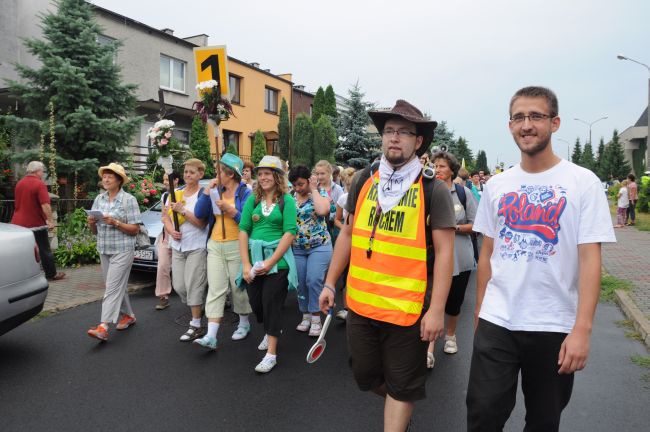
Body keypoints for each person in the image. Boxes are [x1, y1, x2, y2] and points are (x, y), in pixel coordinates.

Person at [466, 86, 616, 431]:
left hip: (554, 324)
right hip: (498, 320)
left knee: (544, 420)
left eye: (536, 116)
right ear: (510, 126)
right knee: (483, 413)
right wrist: (479, 311)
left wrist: (582, 329)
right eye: (519, 117)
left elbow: (591, 258)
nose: (526, 124)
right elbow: (488, 253)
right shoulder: (498, 185)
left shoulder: (583, 183)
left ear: (555, 122)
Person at [319, 99, 455, 432]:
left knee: (402, 384)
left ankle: (399, 414)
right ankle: (400, 404)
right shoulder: (366, 179)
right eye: (389, 131)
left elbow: (446, 254)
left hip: (408, 309)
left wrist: (436, 310)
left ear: (418, 141)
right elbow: (348, 234)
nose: (394, 138)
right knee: (365, 376)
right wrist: (329, 282)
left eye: (404, 132)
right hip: (361, 305)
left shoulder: (431, 188)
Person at [238, 155, 297, 373]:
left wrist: (271, 261)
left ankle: (271, 353)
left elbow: (290, 232)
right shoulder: (253, 200)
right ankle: (270, 329)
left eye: (267, 173)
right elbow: (243, 229)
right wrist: (246, 264)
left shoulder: (287, 201)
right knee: (257, 303)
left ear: (277, 176)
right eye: (260, 173)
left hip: (278, 262)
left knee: (272, 303)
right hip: (254, 260)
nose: (263, 177)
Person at [192, 154, 253, 350]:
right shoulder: (215, 190)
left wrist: (231, 211)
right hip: (215, 244)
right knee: (216, 288)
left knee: (238, 288)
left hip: (237, 244)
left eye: (219, 171)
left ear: (230, 174)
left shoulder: (246, 193)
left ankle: (244, 323)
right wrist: (207, 192)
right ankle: (211, 335)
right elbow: (200, 213)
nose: (215, 174)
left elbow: (248, 222)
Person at [427, 151, 478, 368]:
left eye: (442, 166)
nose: (437, 170)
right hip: (432, 256)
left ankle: (450, 336)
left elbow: (476, 225)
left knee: (454, 301)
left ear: (452, 171)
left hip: (460, 257)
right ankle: (428, 348)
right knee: (430, 300)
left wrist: (452, 227)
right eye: (435, 166)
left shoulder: (463, 193)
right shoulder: (427, 191)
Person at [86, 163, 142, 341]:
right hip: (104, 248)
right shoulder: (99, 199)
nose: (106, 179)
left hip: (123, 249)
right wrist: (92, 224)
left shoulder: (129, 200)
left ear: (119, 180)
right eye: (104, 176)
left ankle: (103, 326)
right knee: (117, 286)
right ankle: (129, 316)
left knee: (111, 287)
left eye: (110, 176)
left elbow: (135, 229)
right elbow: (95, 232)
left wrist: (116, 222)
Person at [162, 158, 210, 342]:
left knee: (193, 286)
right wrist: (170, 230)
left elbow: (201, 223)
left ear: (200, 174)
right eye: (186, 172)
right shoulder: (176, 193)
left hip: (196, 246)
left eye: (192, 172)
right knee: (179, 287)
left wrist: (183, 211)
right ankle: (200, 303)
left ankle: (196, 325)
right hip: (178, 246)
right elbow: (165, 217)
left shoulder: (202, 195)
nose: (188, 175)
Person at [288, 165, 332, 337]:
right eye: (294, 185)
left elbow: (322, 210)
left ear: (309, 180)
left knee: (313, 280)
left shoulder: (319, 194)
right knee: (300, 282)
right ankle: (305, 314)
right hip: (297, 248)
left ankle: (316, 317)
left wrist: (313, 189)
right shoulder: (290, 197)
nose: (298, 188)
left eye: (301, 184)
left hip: (319, 246)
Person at [11, 161, 65, 281]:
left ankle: (19, 276)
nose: (43, 173)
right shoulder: (39, 184)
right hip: (34, 224)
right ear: (38, 171)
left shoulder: (20, 183)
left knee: (21, 251)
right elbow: (45, 205)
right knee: (44, 249)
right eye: (42, 171)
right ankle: (51, 274)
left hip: (18, 224)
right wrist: (50, 221)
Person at [154, 172, 179, 310]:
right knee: (163, 265)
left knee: (182, 269)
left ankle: (193, 297)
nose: (164, 182)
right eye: (163, 179)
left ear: (176, 180)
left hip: (180, 236)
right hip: (165, 236)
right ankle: (163, 297)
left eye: (167, 179)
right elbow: (164, 216)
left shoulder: (182, 193)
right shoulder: (164, 196)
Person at [333, 167, 356, 321]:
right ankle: (347, 307)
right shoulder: (343, 199)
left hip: (361, 241)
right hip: (349, 240)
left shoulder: (366, 197)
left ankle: (357, 307)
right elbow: (336, 219)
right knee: (346, 274)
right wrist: (346, 229)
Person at [314, 160, 344, 241]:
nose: (319, 177)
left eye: (322, 173)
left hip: (332, 228)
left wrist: (331, 209)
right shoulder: (313, 189)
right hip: (315, 231)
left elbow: (342, 211)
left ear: (330, 173)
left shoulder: (337, 189)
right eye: (317, 174)